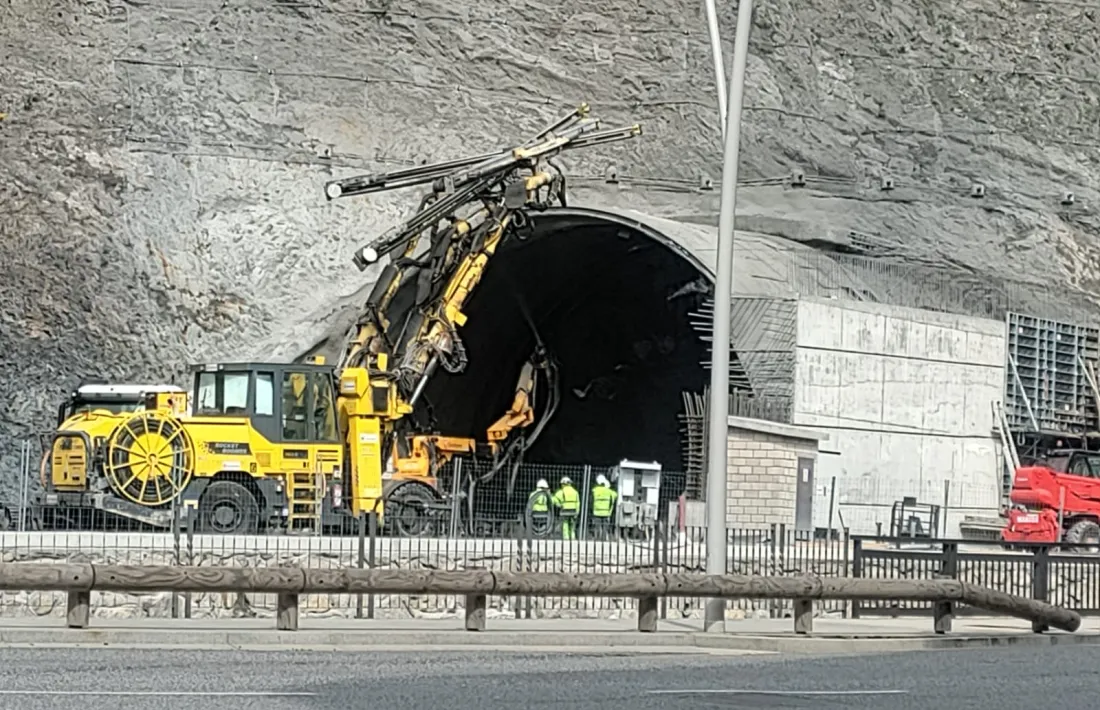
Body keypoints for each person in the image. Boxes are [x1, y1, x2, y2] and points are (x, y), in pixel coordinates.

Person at [590, 474, 618, 540]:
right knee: (605, 527)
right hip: (606, 512)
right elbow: (615, 496)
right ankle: (604, 539)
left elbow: (591, 500)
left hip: (596, 512)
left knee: (597, 527)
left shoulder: (594, 490)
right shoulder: (609, 491)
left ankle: (597, 538)